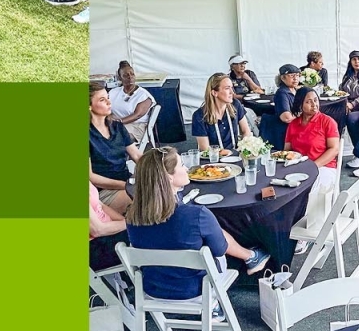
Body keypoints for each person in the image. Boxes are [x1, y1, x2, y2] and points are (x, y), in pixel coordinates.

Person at [124, 147, 271, 303]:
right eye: (181, 165)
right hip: (197, 290)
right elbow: (220, 249)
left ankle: (251, 257)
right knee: (209, 235)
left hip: (154, 290)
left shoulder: (131, 217)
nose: (186, 168)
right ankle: (250, 259)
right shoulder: (197, 214)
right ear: (169, 178)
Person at [285, 87, 342, 252]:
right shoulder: (294, 124)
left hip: (324, 166)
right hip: (299, 166)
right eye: (308, 101)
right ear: (300, 104)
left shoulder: (327, 121)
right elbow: (287, 151)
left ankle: (309, 232)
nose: (314, 104)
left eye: (315, 100)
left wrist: (313, 166)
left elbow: (334, 150)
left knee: (313, 185)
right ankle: (287, 226)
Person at [89, 80, 142, 214]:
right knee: (145, 200)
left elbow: (137, 156)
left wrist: (158, 169)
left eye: (108, 97)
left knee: (161, 191)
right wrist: (127, 185)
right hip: (103, 192)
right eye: (102, 100)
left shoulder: (117, 127)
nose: (109, 102)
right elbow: (91, 177)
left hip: (126, 182)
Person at [191, 73, 252, 153]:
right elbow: (204, 149)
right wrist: (225, 153)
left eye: (232, 88)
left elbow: (246, 131)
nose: (232, 92)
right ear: (214, 93)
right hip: (214, 160)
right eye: (227, 88)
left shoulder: (235, 105)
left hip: (236, 155)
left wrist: (243, 147)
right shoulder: (199, 116)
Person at [111, 61, 155, 144]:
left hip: (137, 126)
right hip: (116, 125)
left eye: (132, 74)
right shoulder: (113, 92)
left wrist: (117, 122)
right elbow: (106, 108)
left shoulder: (143, 95)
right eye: (126, 75)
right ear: (120, 78)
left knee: (115, 136)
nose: (130, 77)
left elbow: (137, 115)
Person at [261, 64, 300, 153]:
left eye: (297, 75)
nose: (295, 78)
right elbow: (286, 118)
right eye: (291, 76)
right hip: (285, 132)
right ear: (283, 78)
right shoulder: (282, 93)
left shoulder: (295, 90)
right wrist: (301, 113)